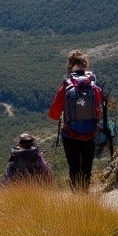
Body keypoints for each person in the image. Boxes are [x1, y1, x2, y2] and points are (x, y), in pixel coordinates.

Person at [48, 51, 104, 190]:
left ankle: (76, 198)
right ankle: (85, 194)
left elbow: (54, 114)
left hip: (70, 134)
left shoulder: (67, 85)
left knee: (74, 168)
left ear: (70, 66)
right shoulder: (92, 85)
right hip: (90, 133)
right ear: (85, 65)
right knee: (86, 167)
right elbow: (99, 112)